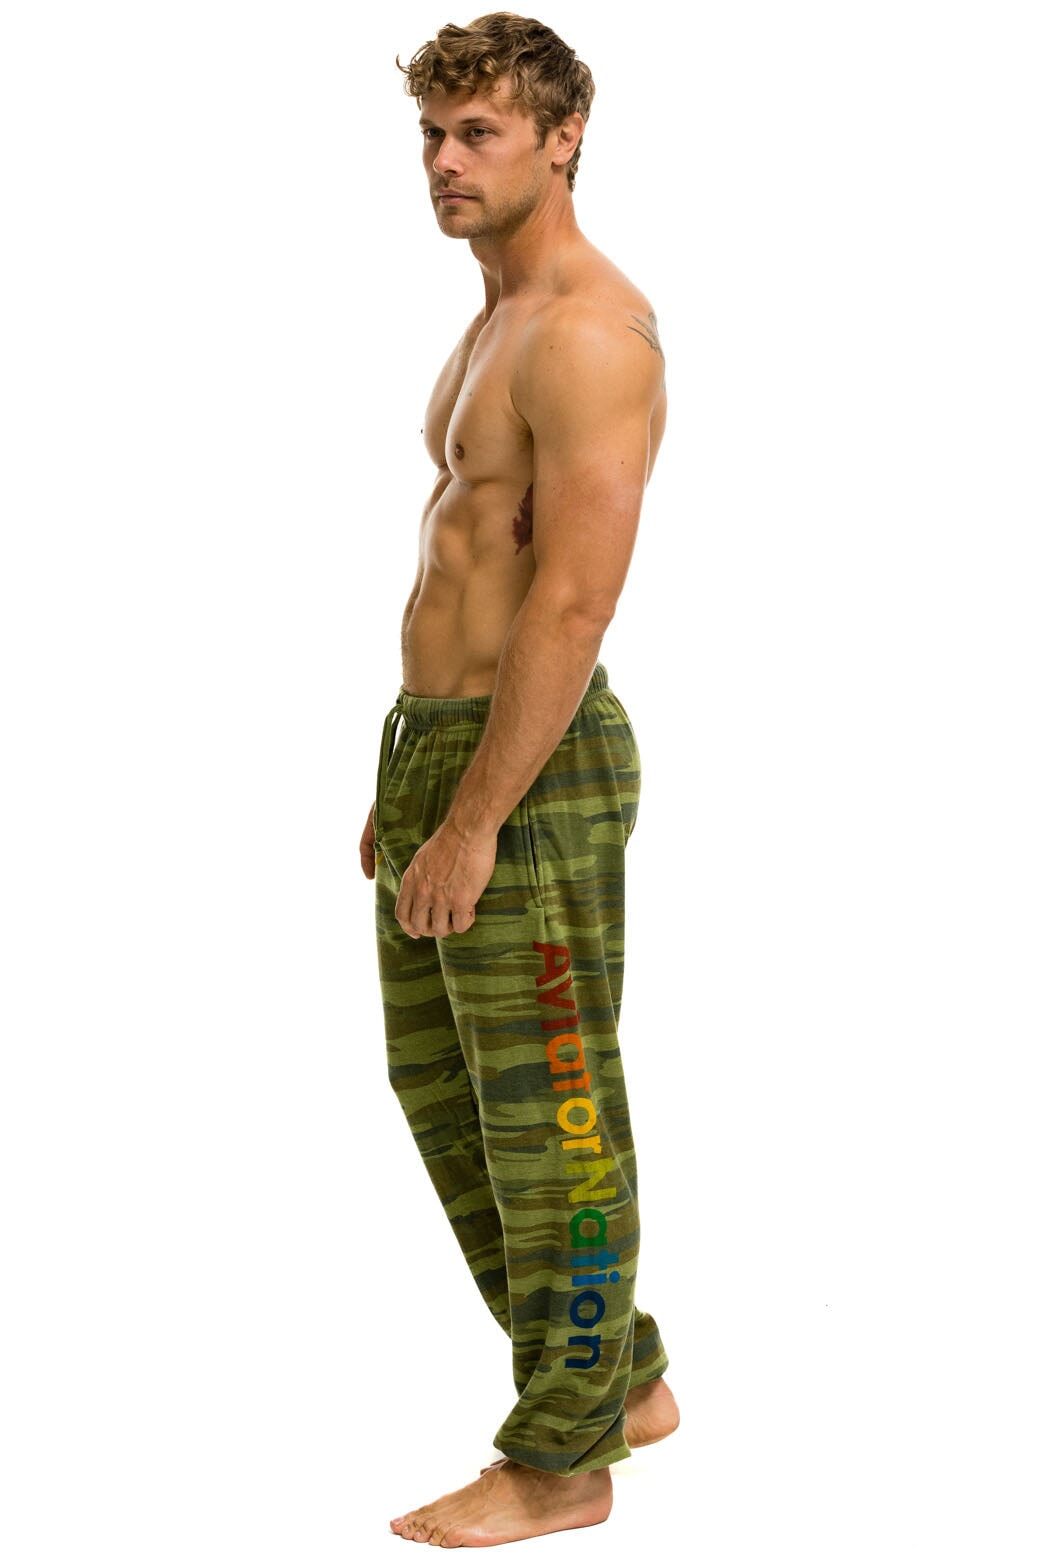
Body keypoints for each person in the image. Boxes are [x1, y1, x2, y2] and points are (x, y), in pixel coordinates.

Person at [360, 13, 679, 1547]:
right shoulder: (497, 315)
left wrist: (479, 813)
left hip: (530, 776)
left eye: (477, 133)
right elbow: (465, 559)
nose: (443, 160)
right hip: (449, 748)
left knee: (553, 1117)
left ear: (564, 140)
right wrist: (416, 780)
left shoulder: (591, 334)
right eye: (432, 133)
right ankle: (623, 1378)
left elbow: (571, 603)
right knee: (443, 1094)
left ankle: (563, 1461)